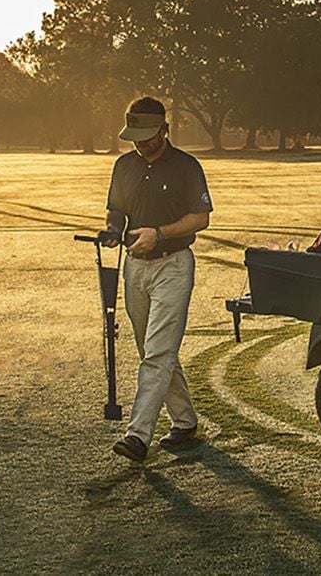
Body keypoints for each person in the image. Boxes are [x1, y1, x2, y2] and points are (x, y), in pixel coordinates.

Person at [102, 96, 211, 462]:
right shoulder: (123, 166)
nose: (140, 142)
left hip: (173, 265)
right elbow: (115, 210)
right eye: (135, 135)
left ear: (165, 129)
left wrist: (159, 234)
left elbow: (200, 218)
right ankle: (185, 421)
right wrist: (114, 231)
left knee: (159, 351)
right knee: (152, 349)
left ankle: (137, 435)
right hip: (135, 267)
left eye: (147, 135)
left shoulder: (186, 166)